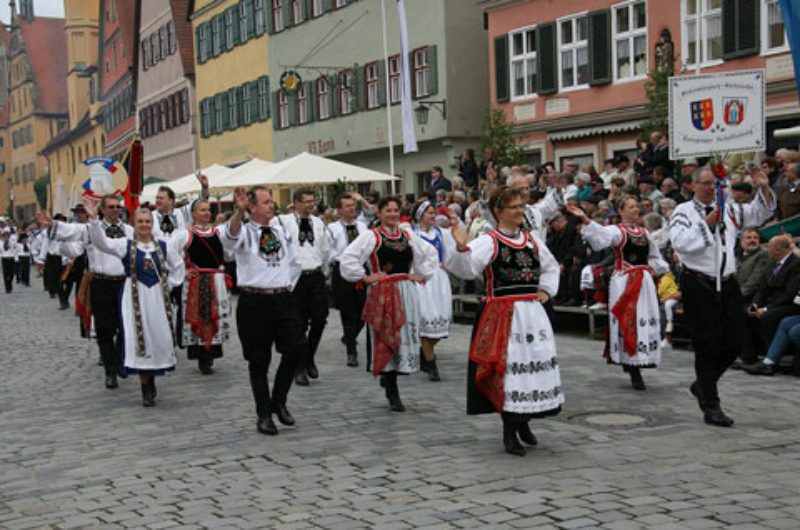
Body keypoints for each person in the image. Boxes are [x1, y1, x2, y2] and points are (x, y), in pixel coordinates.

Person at [447, 185, 563, 456]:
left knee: (531, 369)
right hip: (502, 316)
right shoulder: (489, 240)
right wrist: (462, 247)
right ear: (499, 211)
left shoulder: (532, 241)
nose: (520, 211)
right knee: (508, 372)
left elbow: (550, 266)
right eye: (514, 207)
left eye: (522, 206)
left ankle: (524, 421)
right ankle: (509, 429)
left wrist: (545, 290)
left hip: (532, 315)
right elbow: (467, 269)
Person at [669, 167, 775, 427]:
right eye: (705, 183)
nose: (709, 188)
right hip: (699, 282)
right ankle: (711, 405)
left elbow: (759, 213)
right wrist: (706, 224)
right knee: (707, 344)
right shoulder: (684, 211)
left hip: (727, 282)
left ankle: (703, 384)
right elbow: (680, 244)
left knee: (736, 340)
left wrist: (762, 186)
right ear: (693, 186)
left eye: (714, 183)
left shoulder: (729, 208)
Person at [339, 196, 438, 412]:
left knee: (402, 336)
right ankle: (391, 387)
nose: (392, 214)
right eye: (388, 210)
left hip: (405, 291)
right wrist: (365, 276)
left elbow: (429, 252)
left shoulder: (407, 235)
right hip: (383, 292)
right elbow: (347, 258)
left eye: (395, 210)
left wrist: (419, 274)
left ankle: (390, 377)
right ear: (380, 213)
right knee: (386, 335)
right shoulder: (371, 236)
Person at [220, 186, 303, 435]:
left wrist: (286, 286)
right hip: (254, 301)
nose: (272, 205)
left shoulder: (280, 230)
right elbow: (229, 238)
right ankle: (264, 413)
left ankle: (278, 400)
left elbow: (293, 262)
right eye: (266, 202)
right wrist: (239, 211)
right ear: (252, 207)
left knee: (295, 350)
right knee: (259, 361)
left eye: (271, 201)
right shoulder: (244, 230)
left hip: (282, 297)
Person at [84, 198, 182, 407]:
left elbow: (178, 266)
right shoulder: (125, 245)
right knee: (139, 337)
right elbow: (103, 243)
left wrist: (169, 285)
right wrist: (94, 219)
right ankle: (145, 385)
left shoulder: (163, 247)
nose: (144, 225)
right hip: (134, 298)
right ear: (134, 224)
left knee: (155, 335)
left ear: (152, 224)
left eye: (148, 221)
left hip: (156, 298)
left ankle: (153, 378)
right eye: (140, 222)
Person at [568, 197, 669, 390]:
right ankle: (631, 364)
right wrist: (587, 220)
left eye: (636, 207)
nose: (635, 210)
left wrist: (653, 270)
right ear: (621, 211)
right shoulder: (618, 231)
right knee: (628, 318)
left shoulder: (644, 233)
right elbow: (600, 238)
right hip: (625, 281)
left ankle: (643, 357)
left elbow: (655, 257)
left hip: (643, 281)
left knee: (644, 318)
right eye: (631, 207)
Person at [38, 195, 134, 389]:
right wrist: (52, 225)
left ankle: (119, 358)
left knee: (125, 326)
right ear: (103, 210)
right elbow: (70, 231)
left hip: (124, 283)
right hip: (100, 282)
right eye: (111, 207)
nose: (116, 210)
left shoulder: (129, 230)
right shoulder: (90, 229)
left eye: (118, 207)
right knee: (104, 328)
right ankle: (110, 370)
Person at [169, 199, 232, 375]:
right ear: (194, 214)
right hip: (196, 282)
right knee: (199, 315)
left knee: (213, 316)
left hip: (216, 280)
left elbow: (228, 254)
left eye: (208, 210)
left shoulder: (218, 233)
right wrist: (182, 271)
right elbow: (169, 252)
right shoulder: (185, 234)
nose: (206, 213)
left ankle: (211, 354)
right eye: (202, 210)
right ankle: (201, 357)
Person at [278, 188, 330, 386]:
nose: (310, 205)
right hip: (296, 277)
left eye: (312, 201)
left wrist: (323, 270)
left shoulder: (318, 223)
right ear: (296, 203)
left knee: (320, 319)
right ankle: (299, 366)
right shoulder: (284, 221)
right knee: (298, 324)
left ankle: (309, 356)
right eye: (306, 201)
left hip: (315, 274)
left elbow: (325, 249)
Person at [412, 200, 455, 382]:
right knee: (426, 321)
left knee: (441, 323)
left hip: (439, 279)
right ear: (421, 215)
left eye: (433, 212)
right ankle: (431, 362)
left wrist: (448, 264)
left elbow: (451, 252)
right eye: (429, 212)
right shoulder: (412, 234)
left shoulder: (440, 232)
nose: (433, 216)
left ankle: (424, 353)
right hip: (422, 280)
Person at [326, 193, 368, 368]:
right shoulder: (332, 229)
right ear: (340, 210)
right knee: (347, 311)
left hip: (361, 269)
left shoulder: (363, 226)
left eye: (353, 205)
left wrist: (361, 199)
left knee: (365, 311)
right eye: (348, 206)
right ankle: (351, 351)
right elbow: (327, 251)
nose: (352, 208)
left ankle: (349, 337)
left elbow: (371, 211)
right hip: (342, 271)